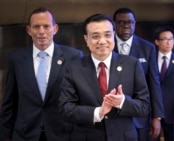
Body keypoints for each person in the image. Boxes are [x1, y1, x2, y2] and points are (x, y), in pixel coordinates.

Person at [58, 13, 151, 141]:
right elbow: (65, 108)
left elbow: (144, 106)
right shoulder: (74, 68)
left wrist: (122, 102)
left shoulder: (132, 64)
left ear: (114, 35)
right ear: (86, 39)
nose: (102, 41)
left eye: (107, 35)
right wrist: (98, 112)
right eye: (95, 36)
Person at [0, 7, 83, 141]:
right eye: (36, 27)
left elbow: (80, 100)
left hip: (62, 134)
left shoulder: (73, 57)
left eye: (46, 26)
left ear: (55, 29)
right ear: (29, 30)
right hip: (25, 134)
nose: (41, 32)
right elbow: (9, 103)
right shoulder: (16, 59)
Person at [112, 7, 164, 141]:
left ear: (135, 24)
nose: (126, 26)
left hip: (139, 116)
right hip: (112, 115)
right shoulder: (106, 45)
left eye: (130, 22)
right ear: (114, 24)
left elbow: (154, 82)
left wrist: (157, 116)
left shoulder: (147, 48)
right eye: (121, 22)